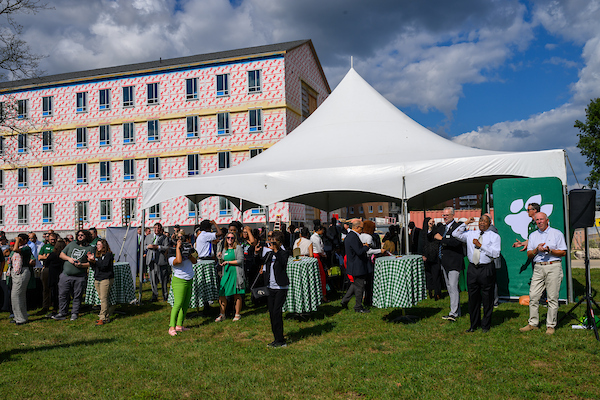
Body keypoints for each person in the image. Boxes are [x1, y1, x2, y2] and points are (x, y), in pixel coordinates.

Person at [520, 212, 567, 335]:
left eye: (541, 219)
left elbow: (563, 252)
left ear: (547, 220)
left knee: (552, 297)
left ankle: (550, 325)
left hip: (553, 266)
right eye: (537, 220)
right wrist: (536, 250)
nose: (539, 221)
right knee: (533, 295)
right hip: (538, 267)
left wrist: (549, 250)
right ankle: (533, 323)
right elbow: (529, 254)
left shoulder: (556, 233)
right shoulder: (533, 235)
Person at [452, 215, 501, 333]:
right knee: (473, 298)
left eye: (485, 221)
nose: (482, 223)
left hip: (486, 268)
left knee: (487, 297)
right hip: (473, 268)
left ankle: (486, 325)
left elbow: (496, 253)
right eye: (480, 221)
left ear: (489, 223)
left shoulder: (494, 236)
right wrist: (466, 223)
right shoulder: (471, 234)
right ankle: (474, 324)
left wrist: (481, 246)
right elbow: (455, 234)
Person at [53, 230, 94, 321]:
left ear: (86, 236)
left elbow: (92, 263)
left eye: (82, 235)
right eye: (78, 235)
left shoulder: (90, 248)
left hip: (79, 276)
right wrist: (69, 259)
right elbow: (61, 254)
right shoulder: (71, 244)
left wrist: (81, 265)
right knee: (62, 295)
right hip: (66, 275)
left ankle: (74, 313)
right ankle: (62, 313)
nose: (80, 236)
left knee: (77, 296)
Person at [259, 230, 290, 347]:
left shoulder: (283, 253)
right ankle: (276, 338)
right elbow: (262, 261)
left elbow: (283, 263)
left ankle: (280, 340)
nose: (270, 244)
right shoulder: (270, 254)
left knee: (277, 312)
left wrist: (276, 250)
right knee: (272, 313)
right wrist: (257, 253)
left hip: (281, 287)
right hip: (270, 286)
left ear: (278, 242)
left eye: (273, 242)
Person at [434, 207, 464, 322]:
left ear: (452, 215)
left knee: (453, 287)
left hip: (454, 262)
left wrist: (442, 239)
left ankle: (453, 313)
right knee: (449, 287)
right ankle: (456, 311)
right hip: (444, 262)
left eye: (447, 215)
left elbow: (455, 242)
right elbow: (433, 236)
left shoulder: (458, 227)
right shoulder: (442, 227)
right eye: (443, 215)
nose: (445, 217)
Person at [168, 233, 197, 336]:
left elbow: (195, 261)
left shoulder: (186, 254)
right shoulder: (171, 258)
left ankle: (179, 325)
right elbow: (179, 261)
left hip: (189, 279)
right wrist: (178, 249)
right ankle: (171, 327)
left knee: (185, 304)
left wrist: (188, 254)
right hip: (179, 281)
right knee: (178, 304)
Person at [340, 219, 371, 313]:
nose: (362, 230)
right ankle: (358, 307)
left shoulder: (350, 236)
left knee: (355, 285)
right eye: (362, 228)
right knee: (359, 287)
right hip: (357, 265)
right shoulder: (353, 237)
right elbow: (359, 251)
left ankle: (344, 301)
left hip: (353, 264)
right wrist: (366, 246)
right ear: (357, 227)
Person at [215, 232, 245, 322]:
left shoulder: (238, 248)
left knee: (236, 293)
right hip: (226, 273)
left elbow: (240, 260)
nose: (230, 239)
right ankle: (222, 314)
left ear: (235, 239)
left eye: (232, 238)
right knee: (222, 293)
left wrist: (228, 262)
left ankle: (237, 314)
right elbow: (221, 261)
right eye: (228, 238)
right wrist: (219, 257)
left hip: (235, 273)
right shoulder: (224, 249)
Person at [86, 239, 115, 326]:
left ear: (104, 246)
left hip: (106, 279)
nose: (97, 246)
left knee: (104, 299)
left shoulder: (108, 255)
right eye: (97, 245)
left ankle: (102, 317)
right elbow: (95, 268)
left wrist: (95, 261)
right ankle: (107, 315)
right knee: (102, 298)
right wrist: (91, 261)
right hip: (98, 278)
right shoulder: (98, 256)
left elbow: (104, 266)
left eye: (99, 245)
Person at [8, 234, 34, 325]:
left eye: (20, 240)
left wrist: (17, 240)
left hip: (22, 272)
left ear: (25, 240)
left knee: (16, 295)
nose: (17, 241)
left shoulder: (27, 248)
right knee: (19, 296)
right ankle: (19, 316)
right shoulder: (22, 248)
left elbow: (15, 249)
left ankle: (20, 319)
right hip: (17, 272)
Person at [144, 223, 171, 302]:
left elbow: (166, 247)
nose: (157, 229)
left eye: (158, 228)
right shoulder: (148, 237)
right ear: (153, 228)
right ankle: (154, 295)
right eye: (155, 228)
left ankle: (165, 295)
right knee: (153, 280)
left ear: (161, 229)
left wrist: (158, 247)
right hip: (151, 261)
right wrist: (147, 247)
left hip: (160, 261)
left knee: (163, 279)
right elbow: (143, 246)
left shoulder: (164, 238)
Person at [418, 217, 442, 300]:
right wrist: (421, 254)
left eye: (433, 222)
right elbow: (420, 244)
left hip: (435, 256)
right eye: (430, 222)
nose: (432, 223)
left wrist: (431, 228)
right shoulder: (422, 232)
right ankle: (430, 291)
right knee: (429, 275)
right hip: (427, 256)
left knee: (436, 275)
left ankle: (437, 293)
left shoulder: (435, 231)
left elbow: (432, 235)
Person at [45, 239, 66, 317]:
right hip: (61, 275)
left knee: (54, 293)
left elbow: (46, 263)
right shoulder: (64, 255)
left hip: (53, 276)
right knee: (62, 293)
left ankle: (54, 309)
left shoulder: (53, 255)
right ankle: (63, 308)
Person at [38, 232, 57, 314]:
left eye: (54, 239)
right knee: (45, 288)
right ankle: (45, 306)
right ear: (48, 240)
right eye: (51, 239)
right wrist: (47, 257)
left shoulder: (58, 247)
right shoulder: (45, 246)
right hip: (47, 268)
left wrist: (47, 257)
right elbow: (39, 257)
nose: (53, 240)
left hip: (56, 269)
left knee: (56, 289)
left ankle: (55, 306)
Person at [311, 225, 328, 302]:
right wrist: (324, 254)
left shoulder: (316, 237)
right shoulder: (315, 238)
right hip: (317, 256)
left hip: (318, 256)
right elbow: (319, 249)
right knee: (322, 276)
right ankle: (323, 295)